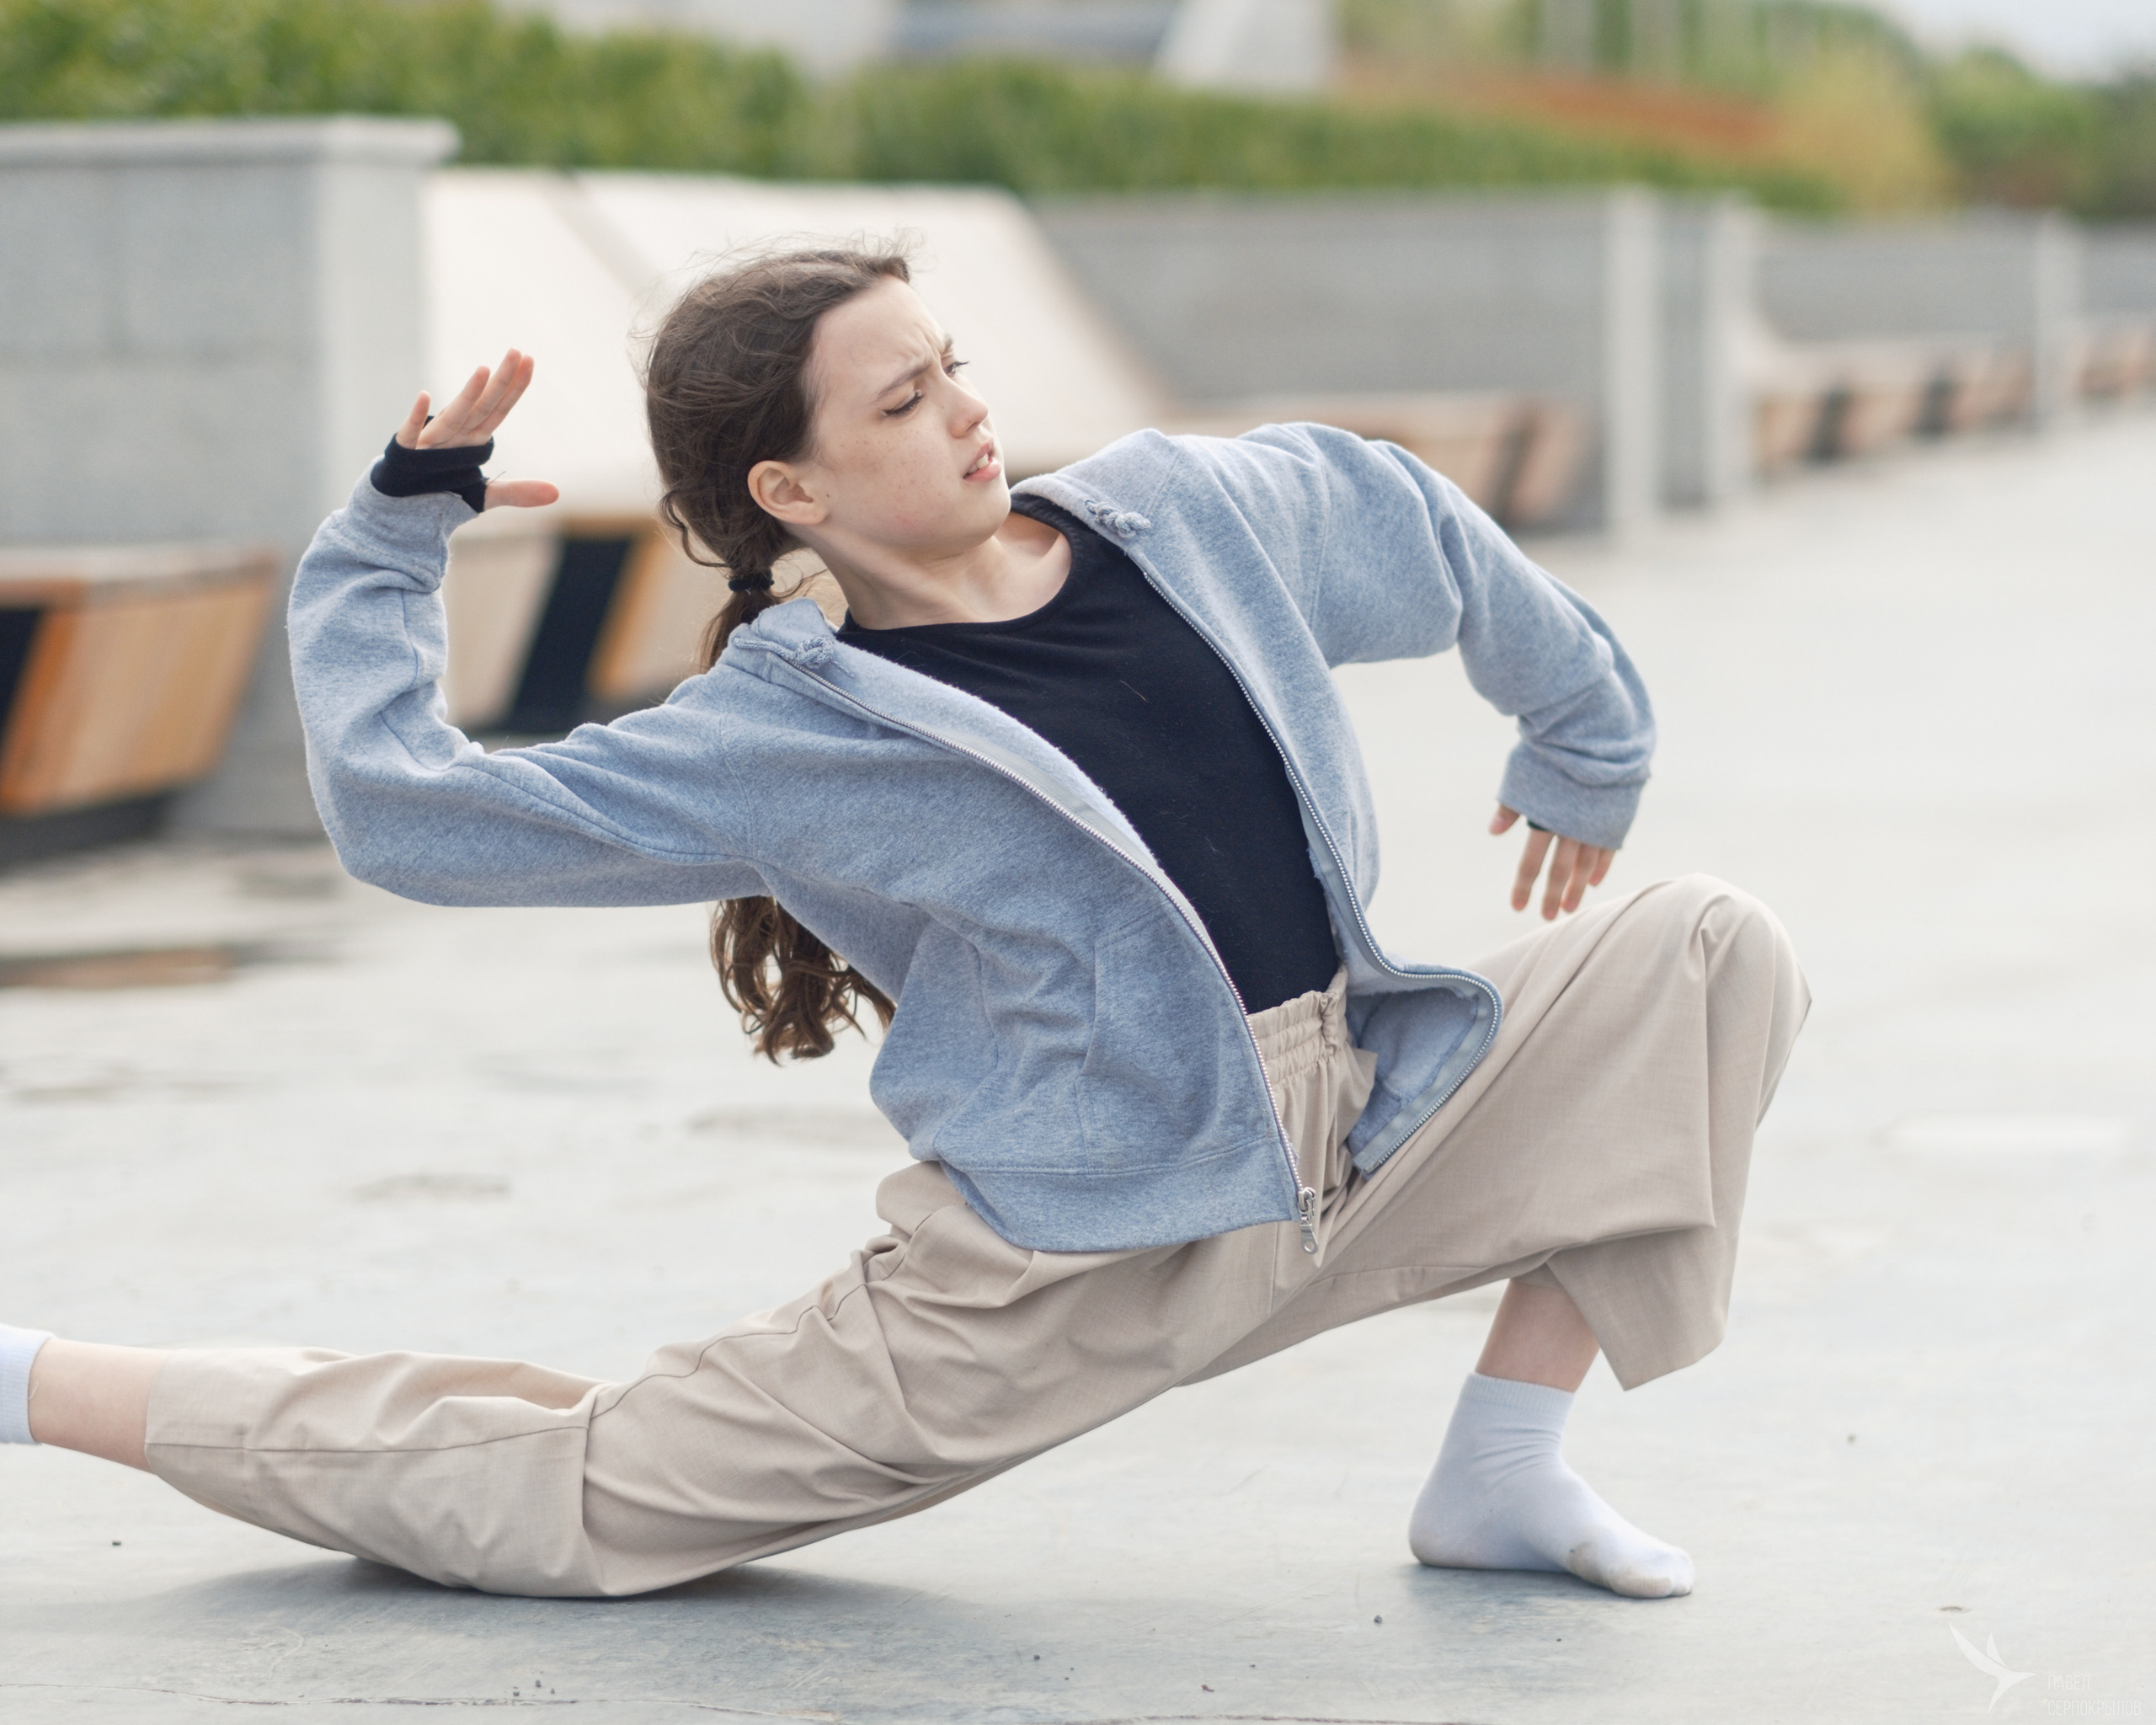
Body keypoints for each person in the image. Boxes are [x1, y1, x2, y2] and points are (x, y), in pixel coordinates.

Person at [0, 247, 1806, 1603]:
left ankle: (1498, 1472)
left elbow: (1401, 514)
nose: (960, 410)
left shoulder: (1184, 519)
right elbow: (412, 820)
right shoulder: (789, 731)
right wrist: (393, 540)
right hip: (1049, 1268)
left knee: (1702, 948)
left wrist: (1582, 730)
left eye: (947, 368)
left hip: (1358, 1124)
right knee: (567, 1495)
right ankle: (47, 1381)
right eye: (897, 402)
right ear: (791, 495)